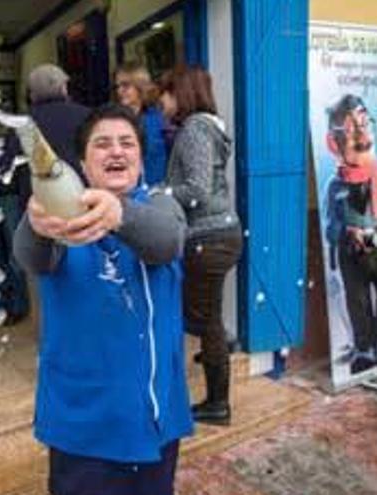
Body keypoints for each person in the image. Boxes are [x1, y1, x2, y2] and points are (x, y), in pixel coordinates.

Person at [14, 104, 193, 495]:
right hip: (83, 427)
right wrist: (35, 222)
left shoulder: (160, 204)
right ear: (81, 162)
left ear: (141, 158)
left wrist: (118, 213)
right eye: (103, 144)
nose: (117, 151)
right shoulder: (61, 216)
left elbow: (167, 241)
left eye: (127, 143)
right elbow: (32, 257)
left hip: (154, 417)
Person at [0, 64, 89, 326]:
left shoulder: (26, 125)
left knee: (45, 271)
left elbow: (4, 166)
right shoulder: (87, 116)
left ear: (31, 95)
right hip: (84, 205)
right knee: (85, 268)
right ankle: (86, 323)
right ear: (64, 88)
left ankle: (52, 329)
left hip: (40, 210)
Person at [158, 65, 242, 425]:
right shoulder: (210, 126)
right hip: (222, 234)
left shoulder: (194, 129)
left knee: (206, 322)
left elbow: (196, 190)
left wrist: (159, 192)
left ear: (182, 92)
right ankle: (221, 346)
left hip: (207, 238)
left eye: (166, 92)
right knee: (210, 317)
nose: (162, 101)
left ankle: (218, 404)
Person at [322, 94, 377, 375]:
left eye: (364, 123)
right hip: (352, 253)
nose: (361, 135)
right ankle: (364, 347)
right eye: (350, 130)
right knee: (357, 301)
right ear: (335, 142)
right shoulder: (335, 186)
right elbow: (329, 225)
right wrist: (347, 231)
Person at [115, 62, 171, 185]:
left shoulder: (159, 119)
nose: (120, 91)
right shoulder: (116, 119)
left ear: (140, 86)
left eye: (125, 86)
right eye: (118, 86)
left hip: (155, 191)